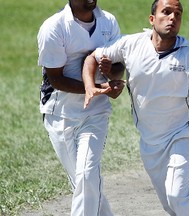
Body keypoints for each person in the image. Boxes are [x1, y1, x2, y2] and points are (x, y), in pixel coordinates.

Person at [82, 0, 189, 215]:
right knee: (175, 205)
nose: (172, 18)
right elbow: (92, 57)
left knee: (180, 200)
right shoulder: (131, 44)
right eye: (166, 12)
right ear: (152, 19)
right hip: (150, 140)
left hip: (184, 133)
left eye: (177, 14)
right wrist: (89, 86)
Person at [37, 0, 125, 215]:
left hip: (96, 112)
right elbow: (56, 80)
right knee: (84, 183)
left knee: (86, 176)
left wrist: (111, 72)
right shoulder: (54, 27)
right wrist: (97, 87)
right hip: (60, 114)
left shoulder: (108, 22)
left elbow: (120, 66)